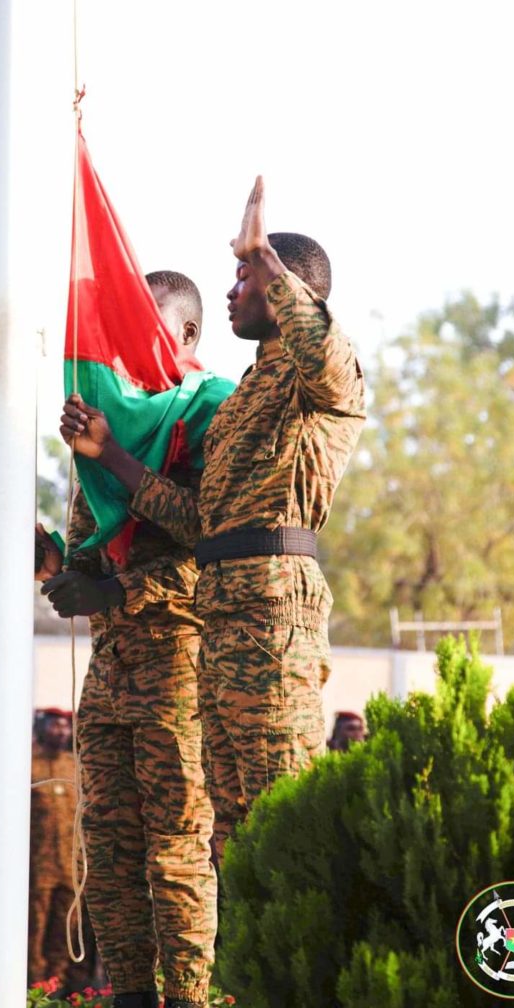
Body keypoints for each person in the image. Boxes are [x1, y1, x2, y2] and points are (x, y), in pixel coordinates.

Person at [56, 177, 366, 862]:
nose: (232, 291)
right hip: (223, 617)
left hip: (272, 617)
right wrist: (109, 454)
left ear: (289, 289)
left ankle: (292, 969)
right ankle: (247, 972)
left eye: (244, 279)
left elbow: (324, 348)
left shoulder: (320, 380)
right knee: (232, 831)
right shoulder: (241, 399)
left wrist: (270, 263)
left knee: (283, 820)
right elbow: (197, 519)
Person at [39, 271, 218, 1008]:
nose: (121, 354)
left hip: (176, 667)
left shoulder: (209, 416)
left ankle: (187, 999)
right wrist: (55, 560)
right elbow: (88, 549)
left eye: (143, 334)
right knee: (108, 856)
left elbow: (214, 540)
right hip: (111, 673)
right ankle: (132, 997)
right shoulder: (101, 431)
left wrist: (118, 591)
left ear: (185, 338)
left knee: (174, 855)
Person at [28, 707, 98, 994]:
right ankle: (31, 990)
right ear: (42, 727)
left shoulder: (75, 765)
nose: (61, 732)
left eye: (65, 727)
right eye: (55, 726)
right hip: (36, 870)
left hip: (70, 869)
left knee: (65, 932)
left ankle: (53, 991)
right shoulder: (26, 764)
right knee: (33, 933)